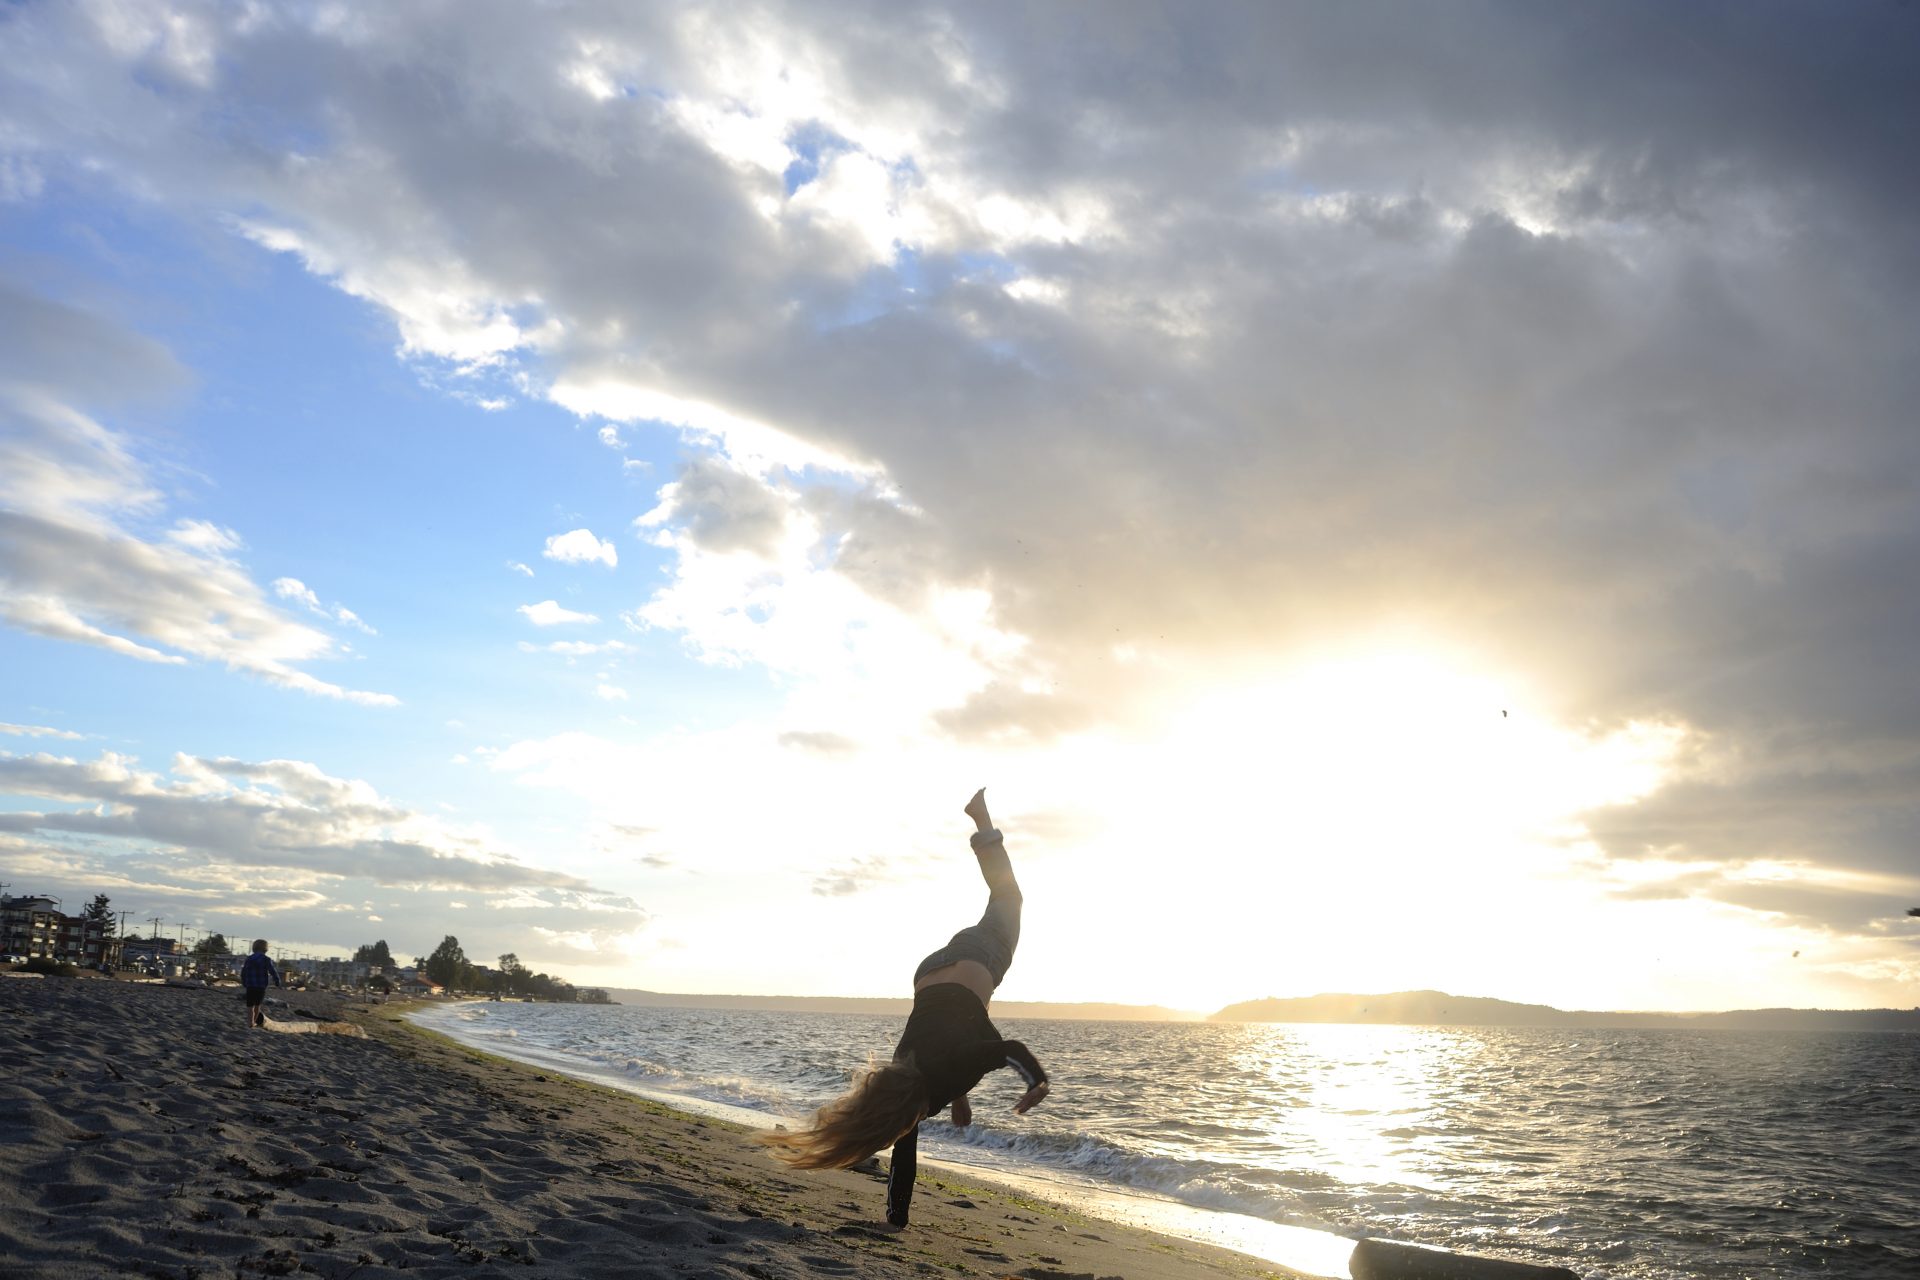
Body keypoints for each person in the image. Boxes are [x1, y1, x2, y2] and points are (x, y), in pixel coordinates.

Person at [760, 788, 1049, 1227]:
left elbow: (1007, 1049)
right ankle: (982, 824)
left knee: (1008, 897)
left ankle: (982, 820)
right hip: (930, 975)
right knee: (974, 1014)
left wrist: (1037, 1082)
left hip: (976, 959)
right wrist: (959, 1099)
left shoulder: (919, 1099)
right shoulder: (900, 1071)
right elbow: (956, 1045)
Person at [240, 938, 281, 1029]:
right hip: (261, 986)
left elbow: (243, 972)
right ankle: (254, 1022)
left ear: (254, 947)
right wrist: (277, 981)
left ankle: (250, 1022)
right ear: (265, 949)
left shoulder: (249, 959)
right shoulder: (266, 959)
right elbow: (272, 971)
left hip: (250, 985)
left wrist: (244, 981)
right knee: (257, 1005)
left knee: (250, 1005)